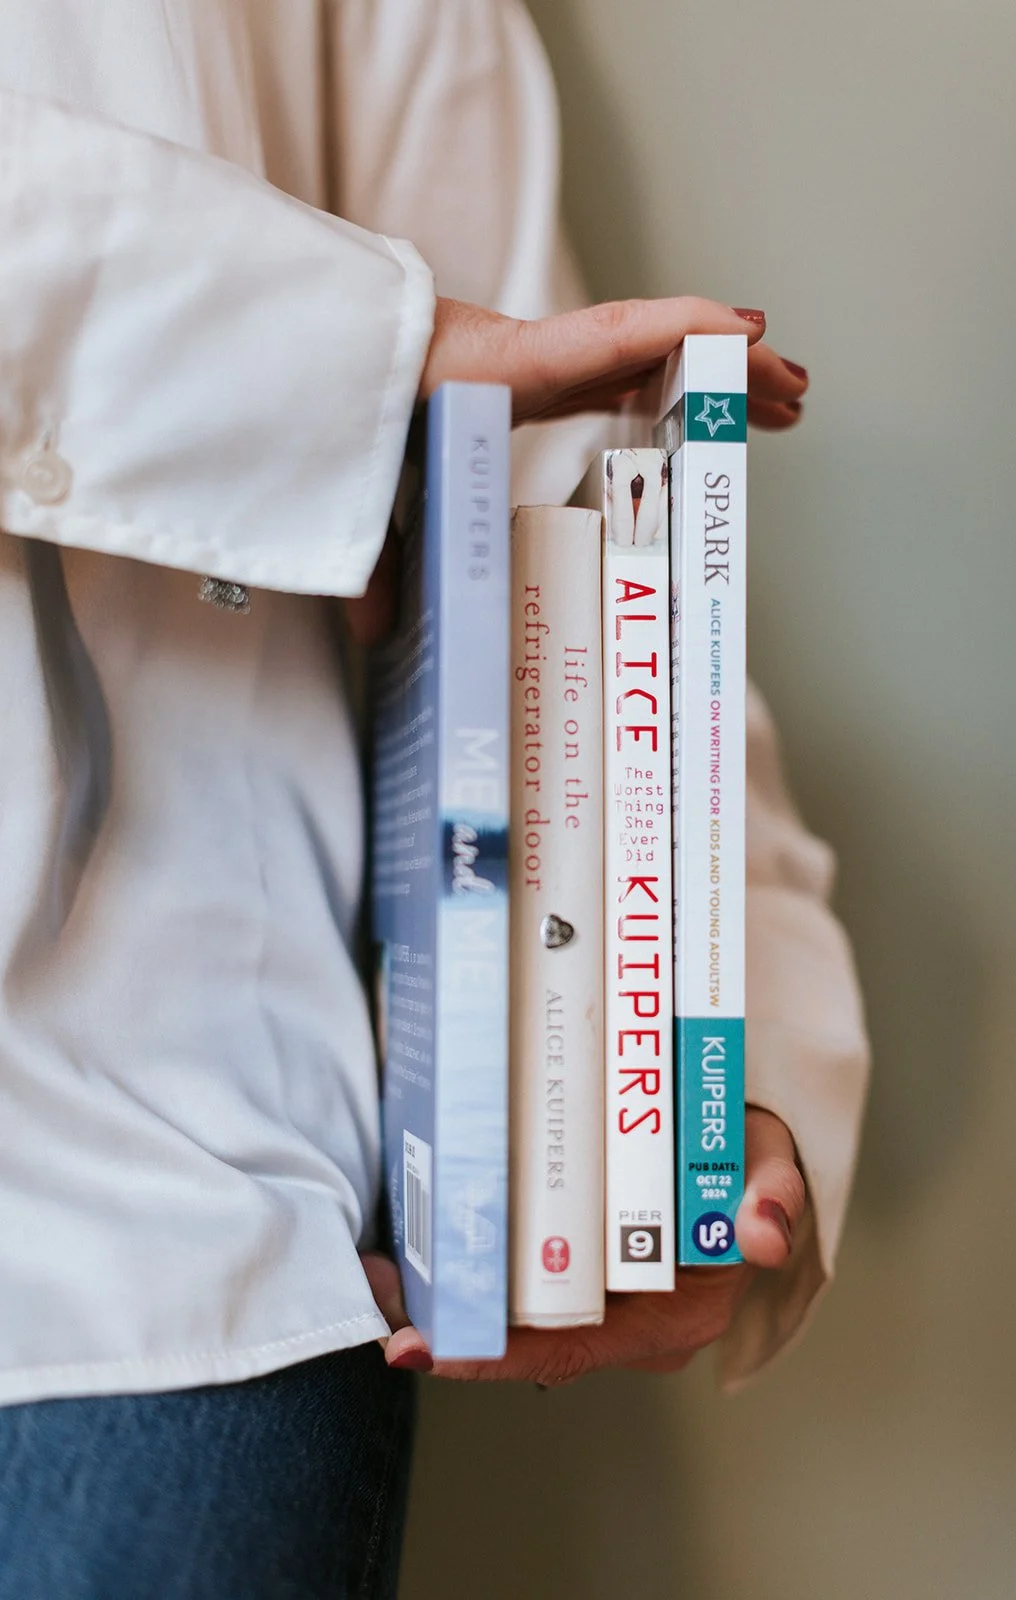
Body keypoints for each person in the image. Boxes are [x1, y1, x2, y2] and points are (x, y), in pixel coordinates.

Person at [0, 1, 869, 1595]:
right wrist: (336, 350)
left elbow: (557, 481)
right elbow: (442, 358)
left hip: (183, 1204)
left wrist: (701, 1071)